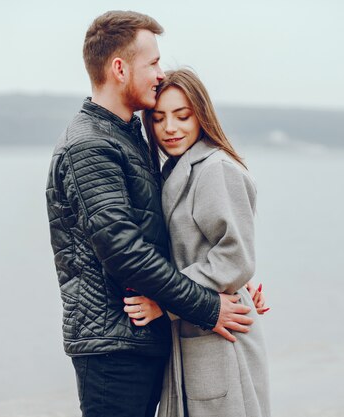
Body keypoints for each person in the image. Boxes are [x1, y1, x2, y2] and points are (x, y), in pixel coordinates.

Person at [45, 11, 253, 417]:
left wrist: (236, 283)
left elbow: (175, 235)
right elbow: (125, 252)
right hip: (113, 348)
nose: (160, 72)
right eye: (153, 62)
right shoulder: (90, 146)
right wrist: (208, 306)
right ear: (120, 68)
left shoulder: (126, 136)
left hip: (139, 341)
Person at [124, 68, 271, 417]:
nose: (170, 128)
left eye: (182, 116)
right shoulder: (173, 169)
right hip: (196, 332)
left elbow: (236, 256)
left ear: (201, 114)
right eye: (159, 118)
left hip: (222, 336)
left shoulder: (216, 168)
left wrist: (166, 302)